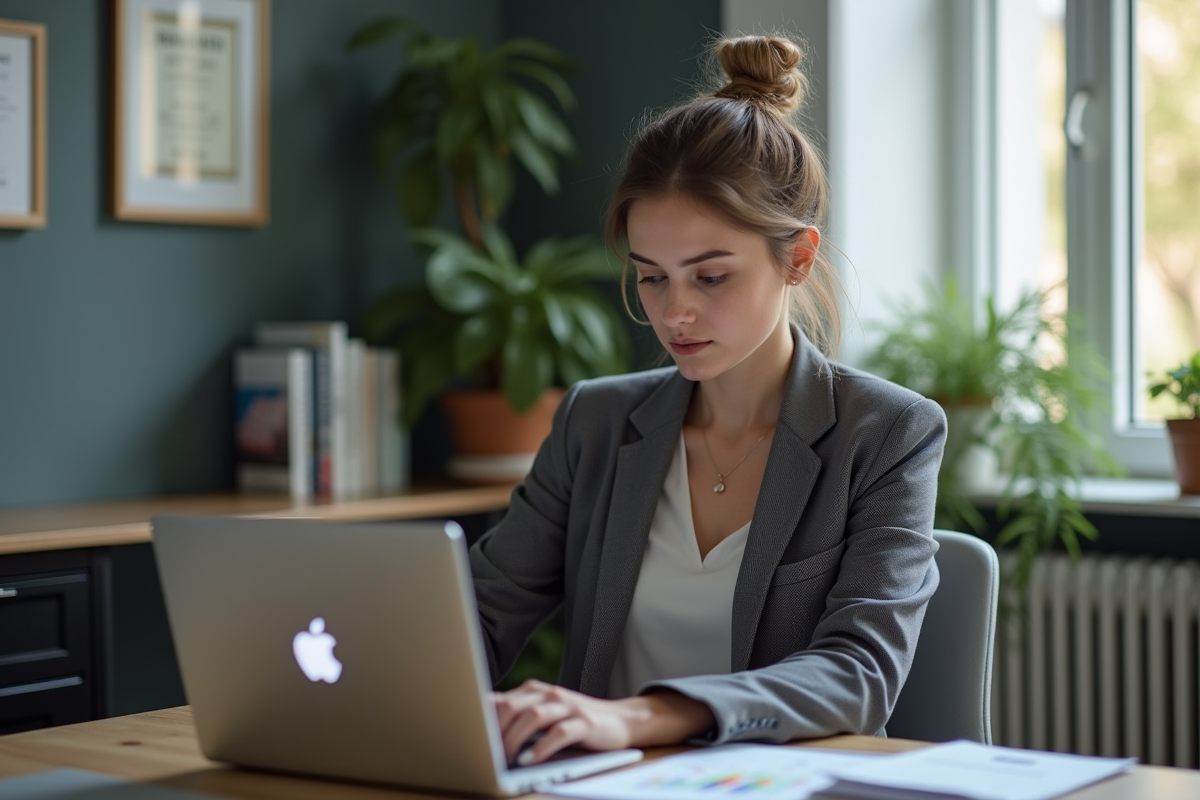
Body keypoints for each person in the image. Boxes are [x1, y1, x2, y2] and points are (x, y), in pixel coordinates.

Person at [469, 34, 947, 766]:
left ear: (799, 258)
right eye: (652, 277)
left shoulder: (887, 433)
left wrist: (635, 718)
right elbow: (479, 613)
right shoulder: (593, 422)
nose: (674, 313)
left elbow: (859, 673)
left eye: (711, 276)